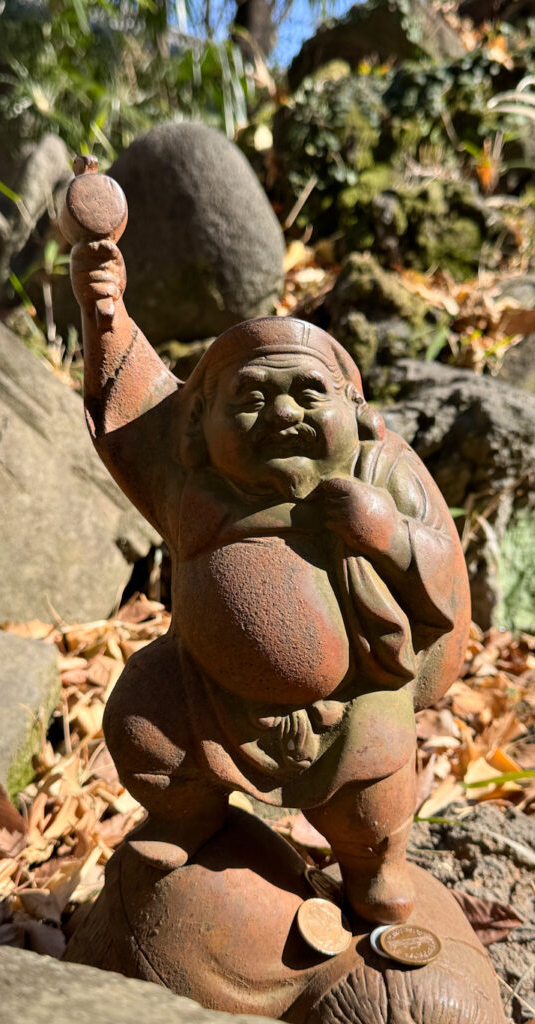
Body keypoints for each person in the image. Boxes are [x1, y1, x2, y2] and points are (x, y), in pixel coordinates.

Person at [70, 238, 470, 924]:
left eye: (308, 395)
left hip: (356, 701)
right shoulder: (190, 479)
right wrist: (102, 309)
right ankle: (189, 819)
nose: (283, 416)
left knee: (374, 800)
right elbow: (134, 407)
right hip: (205, 694)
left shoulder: (380, 473)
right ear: (199, 424)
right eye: (252, 399)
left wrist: (387, 533)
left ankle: (373, 867)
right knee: (144, 723)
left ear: (355, 406)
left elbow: (448, 577)